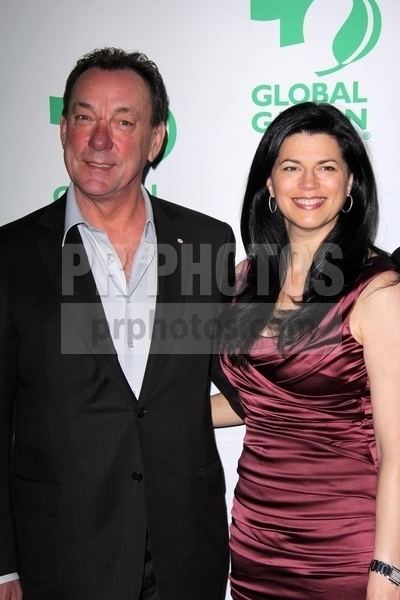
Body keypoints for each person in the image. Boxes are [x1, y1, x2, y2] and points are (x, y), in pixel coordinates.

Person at [0, 47, 242, 600]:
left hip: (185, 554)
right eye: (85, 117)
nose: (100, 140)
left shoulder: (207, 243)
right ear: (63, 130)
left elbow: (249, 380)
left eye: (124, 121)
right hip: (59, 556)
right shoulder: (12, 256)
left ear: (156, 139)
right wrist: (2, 565)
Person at [212, 102, 400, 599]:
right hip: (254, 542)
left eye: (327, 167)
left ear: (351, 182)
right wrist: (136, 414)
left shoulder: (378, 294)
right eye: (291, 167)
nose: (308, 183)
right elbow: (258, 402)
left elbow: (399, 447)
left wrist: (388, 573)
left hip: (344, 550)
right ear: (269, 185)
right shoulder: (244, 281)